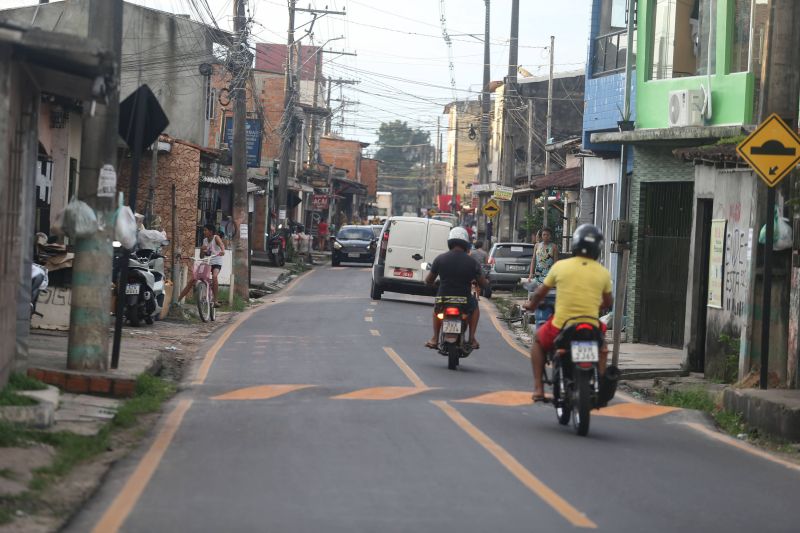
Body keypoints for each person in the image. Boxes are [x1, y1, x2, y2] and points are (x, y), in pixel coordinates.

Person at [523, 224, 613, 402]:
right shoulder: (603, 272)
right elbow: (608, 302)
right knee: (602, 348)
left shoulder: (561, 267)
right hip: (591, 326)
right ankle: (601, 384)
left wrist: (531, 306)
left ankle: (539, 389)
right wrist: (595, 307)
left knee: (538, 343)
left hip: (562, 325)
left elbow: (540, 293)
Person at [424, 227, 488, 350]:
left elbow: (429, 280)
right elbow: (483, 283)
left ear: (450, 242)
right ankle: (472, 338)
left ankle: (435, 339)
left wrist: (431, 284)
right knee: (475, 308)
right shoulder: (472, 263)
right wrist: (486, 284)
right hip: (464, 301)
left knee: (436, 311)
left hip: (443, 299)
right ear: (466, 244)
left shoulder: (440, 259)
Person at [176, 224, 225, 305]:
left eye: (205, 230)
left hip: (216, 262)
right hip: (207, 262)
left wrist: (222, 251)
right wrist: (202, 250)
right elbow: (201, 256)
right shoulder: (204, 240)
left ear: (211, 232)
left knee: (215, 276)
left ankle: (215, 300)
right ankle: (177, 300)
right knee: (193, 280)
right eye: (204, 230)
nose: (204, 232)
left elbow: (221, 245)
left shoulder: (216, 237)